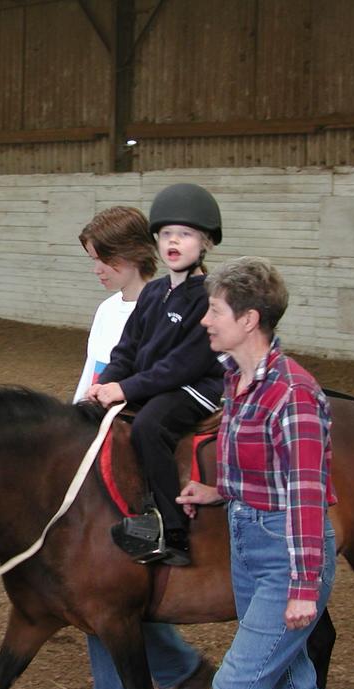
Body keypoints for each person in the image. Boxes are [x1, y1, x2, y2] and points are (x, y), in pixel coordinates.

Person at [176, 257, 340, 689]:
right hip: (247, 545)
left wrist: (303, 587)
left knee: (235, 688)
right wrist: (218, 491)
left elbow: (306, 494)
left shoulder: (293, 396)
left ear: (248, 320)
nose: (205, 320)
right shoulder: (238, 381)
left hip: (287, 558)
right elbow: (265, 468)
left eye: (216, 310)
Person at [65, 206, 215, 689]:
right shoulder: (118, 307)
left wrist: (119, 391)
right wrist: (83, 406)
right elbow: (108, 364)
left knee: (96, 567)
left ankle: (170, 522)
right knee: (85, 567)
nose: (96, 269)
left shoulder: (193, 299)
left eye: (100, 259)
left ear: (128, 255)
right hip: (107, 413)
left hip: (150, 408)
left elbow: (163, 371)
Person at [86, 183, 224, 566]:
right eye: (166, 234)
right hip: (154, 383)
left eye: (185, 234)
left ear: (206, 242)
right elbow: (127, 349)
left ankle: (172, 528)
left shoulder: (208, 295)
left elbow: (181, 366)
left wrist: (126, 388)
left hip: (194, 388)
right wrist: (103, 385)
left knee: (148, 426)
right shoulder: (154, 292)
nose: (173, 241)